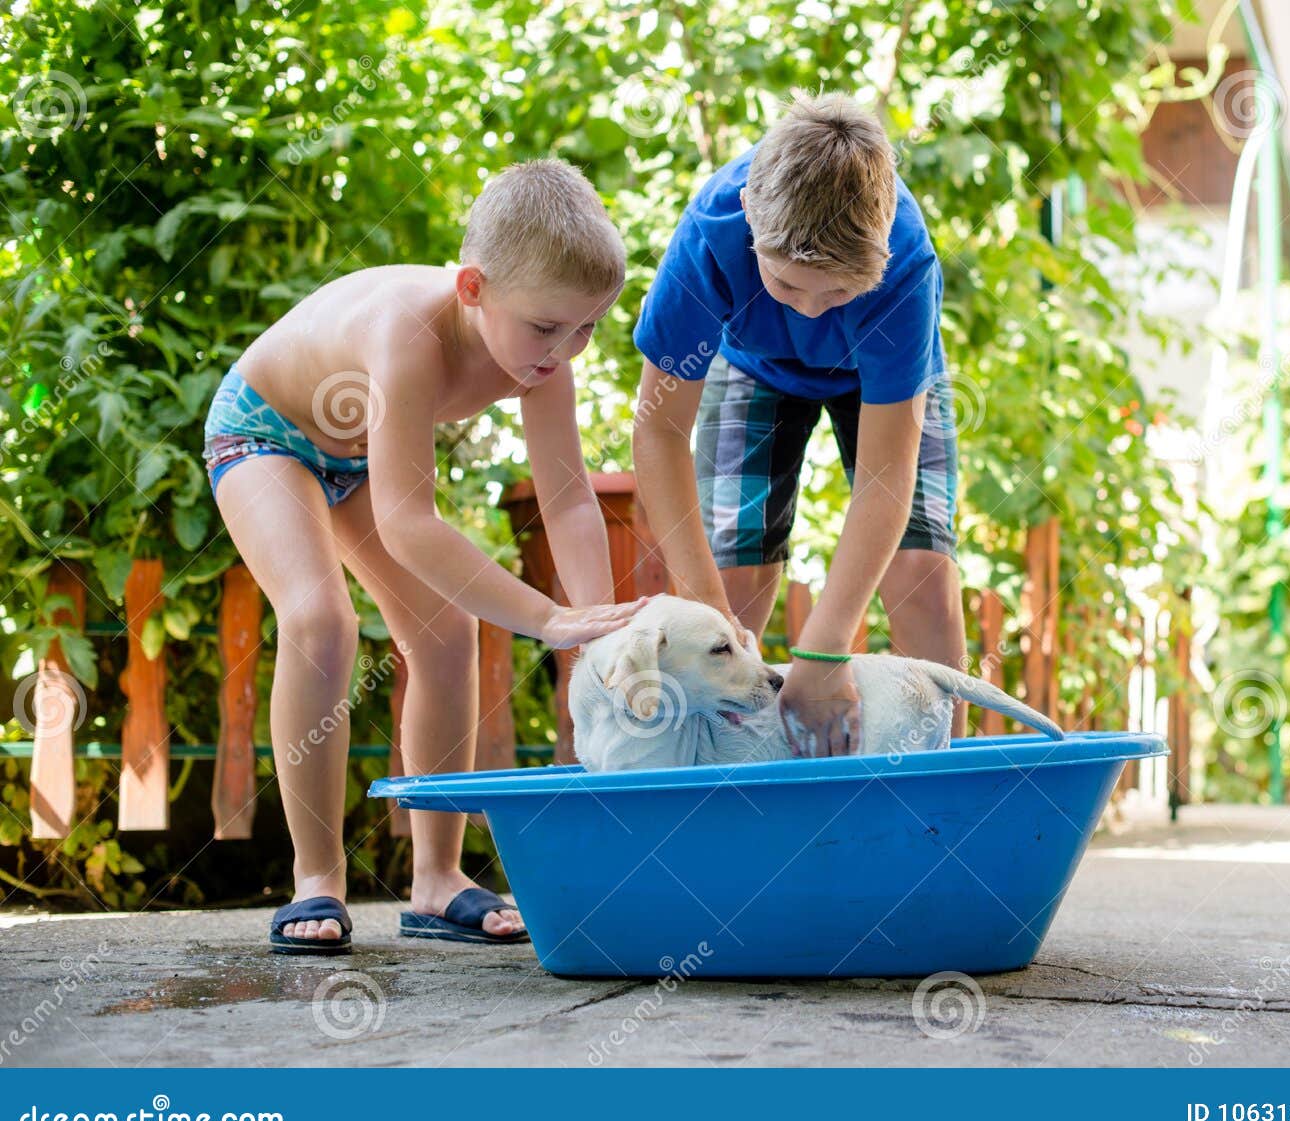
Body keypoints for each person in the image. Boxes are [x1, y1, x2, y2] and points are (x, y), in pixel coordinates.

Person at [204, 160, 646, 954]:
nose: (566, 348)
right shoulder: (407, 332)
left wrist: (597, 632)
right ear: (473, 289)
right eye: (549, 326)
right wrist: (547, 617)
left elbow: (571, 499)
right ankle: (317, 877)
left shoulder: (544, 355)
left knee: (445, 633)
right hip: (266, 432)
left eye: (588, 326)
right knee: (320, 622)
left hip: (358, 457)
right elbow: (410, 523)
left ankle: (438, 879)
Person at [632, 94, 964, 758]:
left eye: (836, 293)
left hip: (878, 383)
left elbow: (885, 473)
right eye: (786, 287)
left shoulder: (906, 260)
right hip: (753, 365)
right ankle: (718, 794)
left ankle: (941, 799)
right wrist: (709, 612)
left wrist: (826, 643)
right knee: (732, 585)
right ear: (751, 218)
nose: (811, 312)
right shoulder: (708, 237)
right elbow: (661, 429)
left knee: (922, 575)